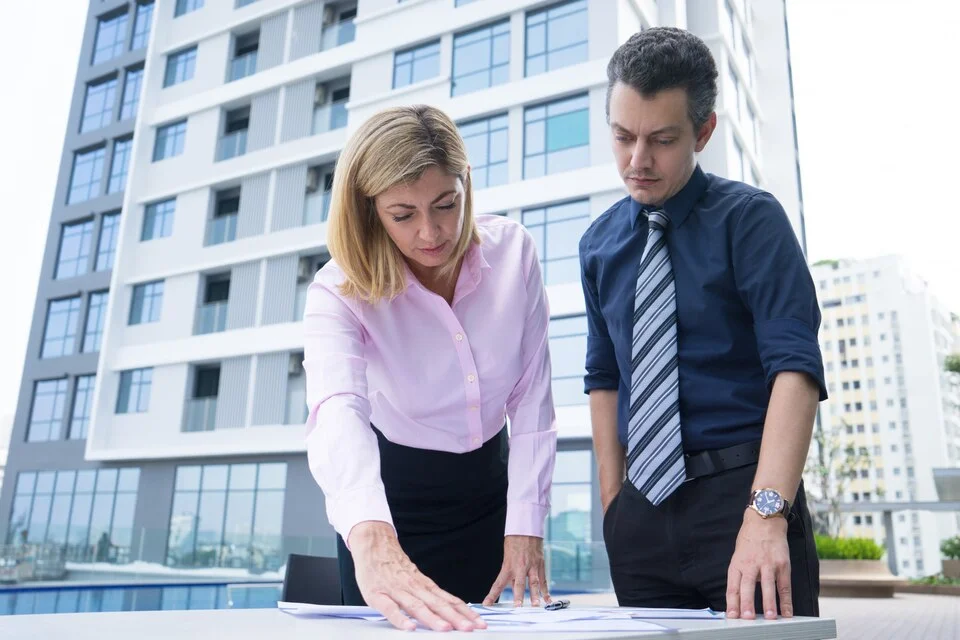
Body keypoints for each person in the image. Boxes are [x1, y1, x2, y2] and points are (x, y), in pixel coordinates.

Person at [580, 28, 826, 620]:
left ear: (704, 132)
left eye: (662, 140)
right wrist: (616, 506)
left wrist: (767, 516)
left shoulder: (750, 221)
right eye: (622, 137)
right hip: (642, 516)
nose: (637, 161)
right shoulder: (598, 246)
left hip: (744, 497)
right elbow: (603, 376)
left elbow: (795, 368)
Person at [303, 105, 558, 632]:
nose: (430, 233)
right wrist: (371, 538)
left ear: (466, 182)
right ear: (370, 209)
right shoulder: (337, 290)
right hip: (391, 507)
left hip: (491, 494)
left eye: (446, 204)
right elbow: (337, 410)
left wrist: (526, 523)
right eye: (403, 215)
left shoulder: (515, 253)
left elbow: (532, 398)